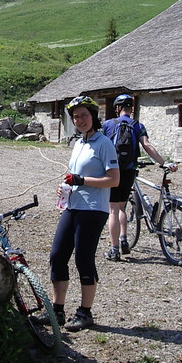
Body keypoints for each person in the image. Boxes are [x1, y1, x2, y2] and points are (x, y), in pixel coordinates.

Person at [35, 95, 119, 332]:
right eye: (75, 116)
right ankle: (57, 310)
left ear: (94, 116)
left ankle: (85, 312)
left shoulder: (105, 144)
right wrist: (67, 187)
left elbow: (114, 180)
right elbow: (75, 176)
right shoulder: (79, 143)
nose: (79, 120)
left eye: (84, 115)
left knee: (83, 259)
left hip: (93, 210)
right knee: (57, 255)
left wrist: (81, 180)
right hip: (72, 206)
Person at [102, 93, 176, 261]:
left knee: (113, 210)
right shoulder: (138, 125)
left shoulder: (108, 125)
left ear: (117, 108)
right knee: (122, 207)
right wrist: (163, 162)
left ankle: (114, 250)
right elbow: (147, 145)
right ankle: (124, 239)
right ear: (131, 109)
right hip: (129, 170)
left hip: (113, 170)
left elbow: (102, 148)